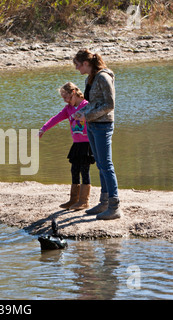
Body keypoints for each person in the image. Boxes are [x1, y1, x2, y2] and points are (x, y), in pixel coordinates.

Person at [71, 49, 121, 220]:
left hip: (103, 125)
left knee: (106, 164)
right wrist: (81, 112)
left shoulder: (103, 77)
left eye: (78, 65)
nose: (77, 68)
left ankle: (114, 207)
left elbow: (110, 104)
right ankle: (104, 202)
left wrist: (88, 116)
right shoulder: (90, 78)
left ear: (86, 63)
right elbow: (93, 103)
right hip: (92, 125)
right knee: (100, 164)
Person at [39, 82, 94, 210]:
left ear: (73, 93)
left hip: (87, 144)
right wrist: (43, 129)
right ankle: (73, 200)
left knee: (84, 170)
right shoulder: (68, 109)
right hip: (76, 144)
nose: (65, 100)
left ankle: (84, 201)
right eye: (63, 98)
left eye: (66, 97)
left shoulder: (86, 105)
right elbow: (56, 118)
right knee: (74, 170)